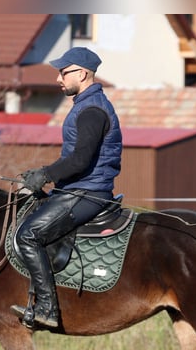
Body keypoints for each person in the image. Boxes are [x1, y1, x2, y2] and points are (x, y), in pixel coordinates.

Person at [11, 46, 123, 330]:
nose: (59, 79)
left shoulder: (93, 111)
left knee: (28, 235)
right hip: (76, 189)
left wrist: (45, 174)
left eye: (63, 72)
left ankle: (47, 309)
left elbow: (80, 160)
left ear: (82, 73)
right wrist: (41, 178)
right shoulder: (85, 106)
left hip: (88, 192)